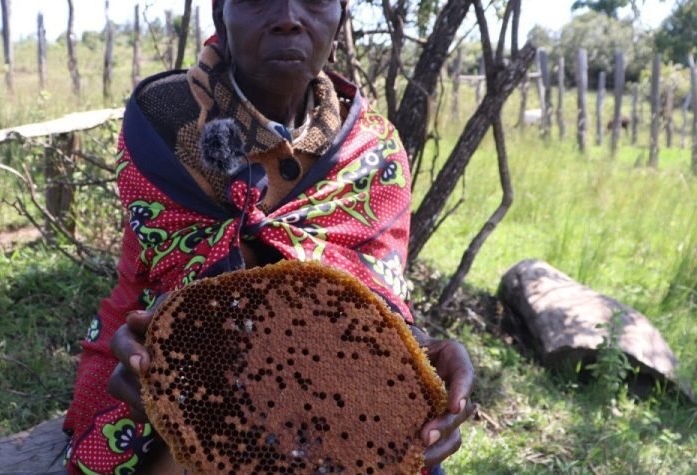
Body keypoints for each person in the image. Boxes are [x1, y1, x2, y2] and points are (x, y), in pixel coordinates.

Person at [63, 1, 476, 473]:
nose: (287, 16)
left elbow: (373, 298)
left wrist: (421, 353)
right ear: (222, 14)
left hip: (324, 385)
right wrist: (153, 346)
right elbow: (146, 288)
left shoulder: (373, 149)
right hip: (169, 374)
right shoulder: (164, 122)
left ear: (340, 18)